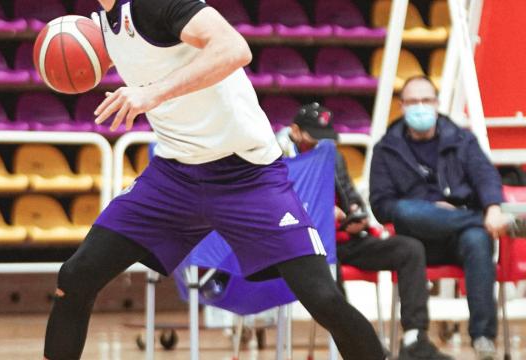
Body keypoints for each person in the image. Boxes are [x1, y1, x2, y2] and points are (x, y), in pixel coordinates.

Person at [43, 1, 387, 359]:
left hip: (248, 176)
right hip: (175, 176)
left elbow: (234, 48)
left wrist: (151, 93)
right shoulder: (99, 29)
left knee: (322, 297)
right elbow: (113, 52)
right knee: (76, 275)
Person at [276, 103, 453, 360]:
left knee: (410, 249)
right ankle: (364, 350)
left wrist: (355, 214)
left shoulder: (332, 155)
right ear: (295, 131)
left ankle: (415, 337)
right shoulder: (278, 159)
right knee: (329, 278)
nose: (319, 144)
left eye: (324, 138)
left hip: (346, 238)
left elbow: (349, 195)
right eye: (314, 137)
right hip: (310, 244)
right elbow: (282, 209)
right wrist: (319, 213)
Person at [370, 75, 526, 360]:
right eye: (413, 101)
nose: (420, 106)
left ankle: (482, 337)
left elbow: (486, 176)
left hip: (458, 238)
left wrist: (493, 206)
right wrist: (433, 210)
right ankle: (492, 222)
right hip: (416, 238)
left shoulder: (462, 139)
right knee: (407, 210)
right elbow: (381, 205)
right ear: (402, 106)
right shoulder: (386, 149)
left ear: (437, 104)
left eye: (426, 100)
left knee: (478, 238)